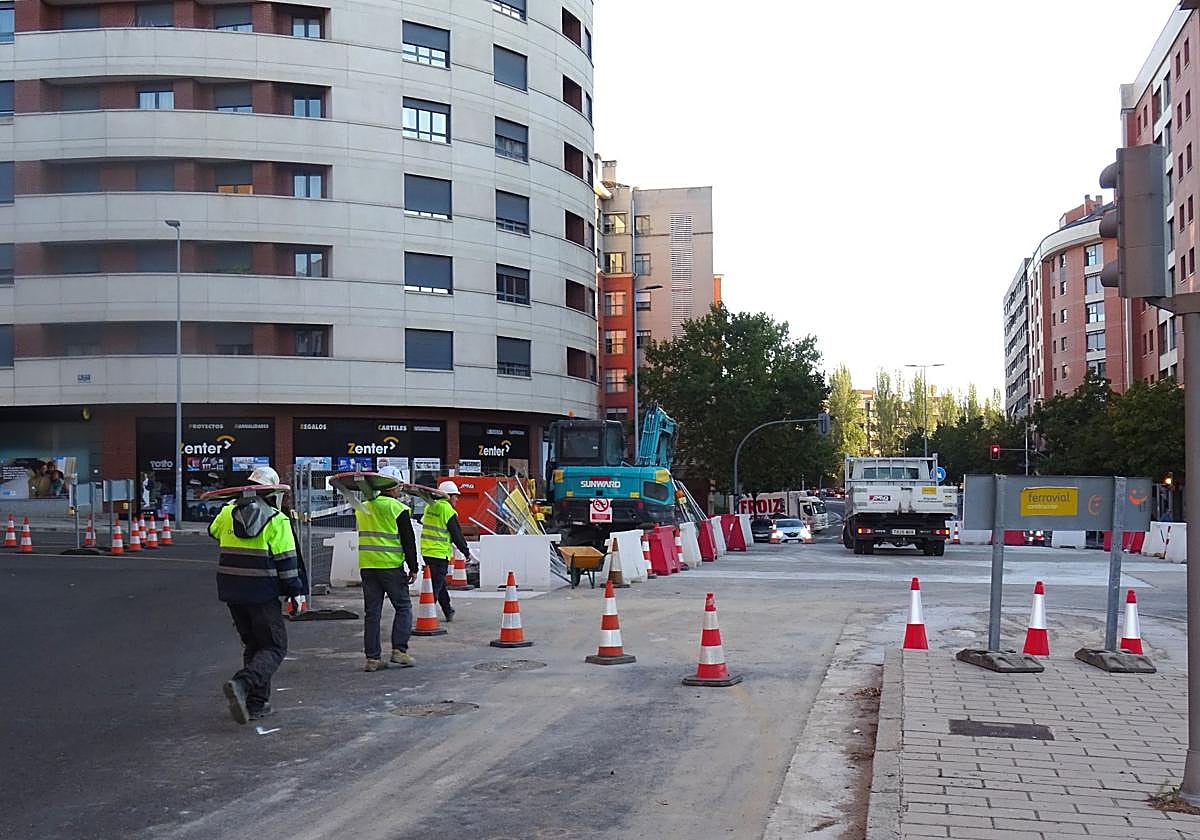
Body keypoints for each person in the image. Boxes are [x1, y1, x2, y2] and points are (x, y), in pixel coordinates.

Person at [208, 465, 303, 725]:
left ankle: (255, 703)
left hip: (232, 591)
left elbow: (213, 531)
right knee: (274, 646)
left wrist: (232, 507)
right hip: (262, 593)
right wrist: (295, 593)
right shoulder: (277, 519)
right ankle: (243, 684)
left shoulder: (227, 512)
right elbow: (287, 561)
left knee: (254, 646)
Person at [356, 465, 420, 672]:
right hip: (391, 566)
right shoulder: (397, 508)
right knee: (403, 607)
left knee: (372, 613)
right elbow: (408, 541)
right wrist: (413, 567)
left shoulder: (363, 507)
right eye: (399, 485)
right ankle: (399, 651)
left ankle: (372, 659)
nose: (401, 489)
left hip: (368, 566)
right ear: (392, 486)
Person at [421, 481, 476, 623]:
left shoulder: (429, 506)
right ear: (448, 496)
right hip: (439, 553)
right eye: (455, 496)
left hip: (427, 552)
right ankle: (426, 617)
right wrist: (466, 552)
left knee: (439, 583)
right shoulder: (448, 510)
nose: (457, 499)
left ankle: (448, 610)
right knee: (434, 586)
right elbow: (457, 535)